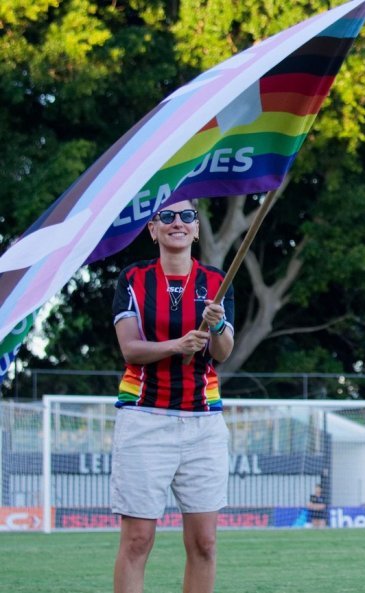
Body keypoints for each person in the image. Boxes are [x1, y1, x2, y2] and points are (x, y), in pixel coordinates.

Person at [111, 199, 234, 593]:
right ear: (152, 229)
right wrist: (177, 345)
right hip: (145, 419)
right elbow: (130, 349)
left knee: (205, 543)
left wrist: (216, 328)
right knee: (137, 540)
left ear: (197, 228)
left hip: (203, 423)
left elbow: (223, 352)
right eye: (166, 216)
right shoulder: (132, 279)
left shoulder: (217, 281)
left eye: (186, 216)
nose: (176, 223)